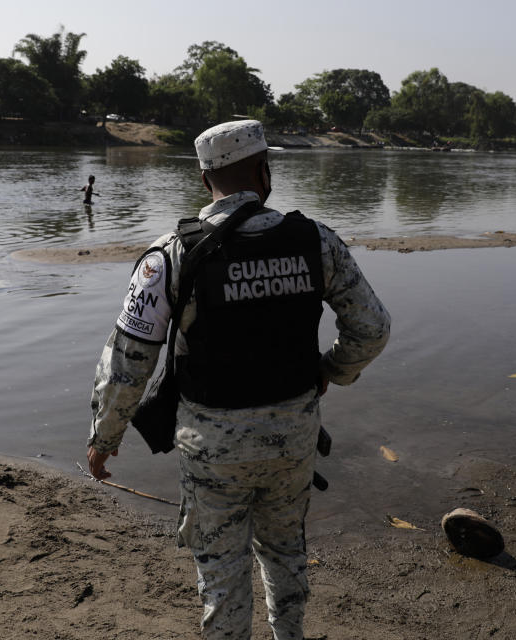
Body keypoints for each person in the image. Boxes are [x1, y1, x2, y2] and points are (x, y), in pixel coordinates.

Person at [88, 119, 390, 639]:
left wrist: (104, 438)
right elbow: (372, 329)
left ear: (205, 180)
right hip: (293, 439)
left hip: (212, 452)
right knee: (286, 554)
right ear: (264, 172)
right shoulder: (316, 241)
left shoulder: (170, 256)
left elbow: (128, 362)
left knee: (223, 578)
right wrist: (330, 371)